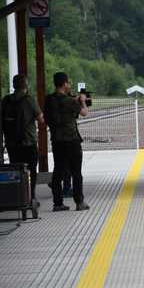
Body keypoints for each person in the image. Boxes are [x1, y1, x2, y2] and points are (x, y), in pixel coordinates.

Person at [44, 72, 90, 211]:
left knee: (58, 171)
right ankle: (79, 202)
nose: (69, 85)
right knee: (76, 172)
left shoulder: (49, 99)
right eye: (68, 83)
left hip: (57, 140)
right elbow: (84, 113)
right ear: (64, 84)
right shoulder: (70, 101)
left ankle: (57, 203)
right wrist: (81, 100)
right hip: (71, 140)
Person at [1, 74, 44, 201]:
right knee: (31, 170)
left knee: (16, 170)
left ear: (14, 85)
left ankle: (18, 197)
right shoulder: (29, 100)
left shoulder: (6, 100)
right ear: (26, 85)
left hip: (11, 143)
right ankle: (31, 197)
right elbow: (41, 119)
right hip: (28, 142)